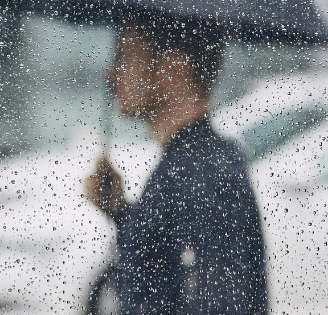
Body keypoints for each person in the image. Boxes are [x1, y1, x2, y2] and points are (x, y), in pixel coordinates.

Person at [85, 13, 268, 315]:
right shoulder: (189, 163)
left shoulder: (205, 172)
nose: (110, 75)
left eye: (125, 56)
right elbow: (165, 268)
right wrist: (118, 209)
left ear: (174, 68)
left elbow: (221, 302)